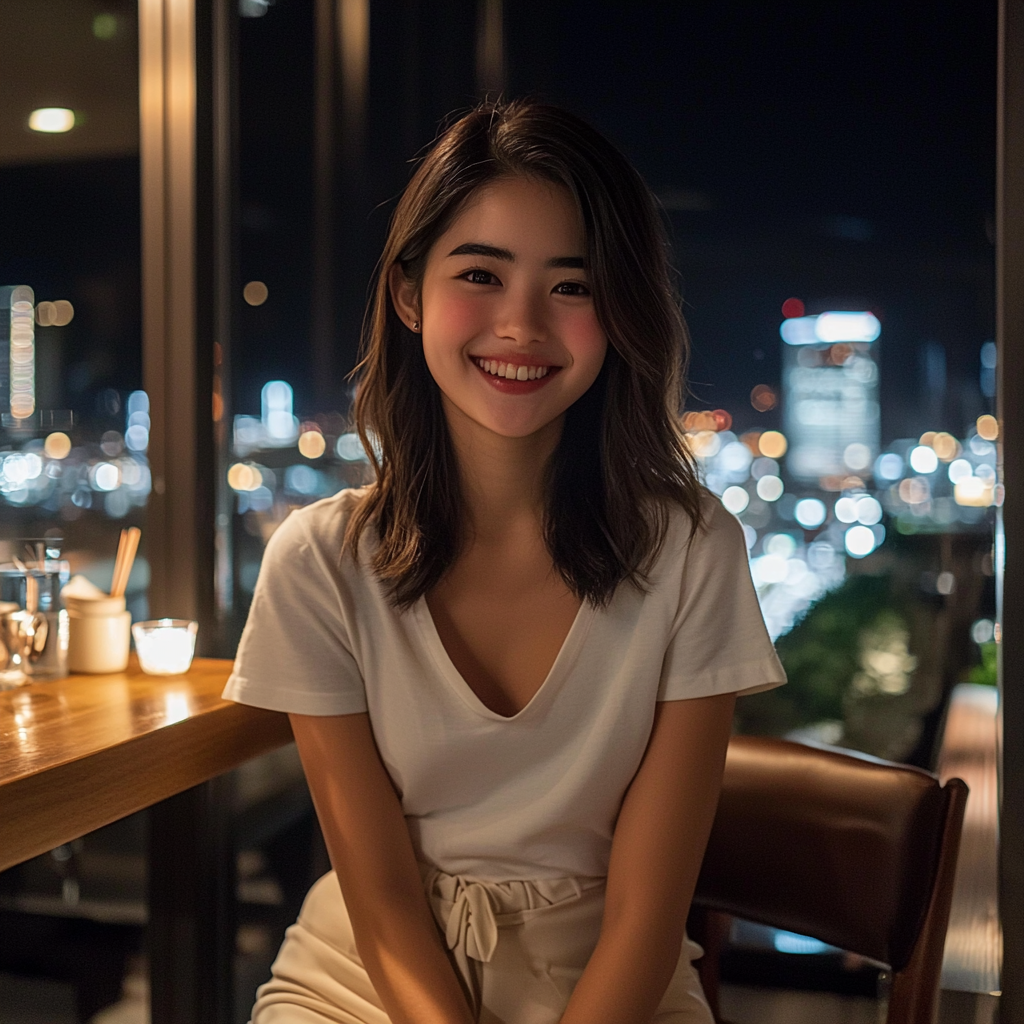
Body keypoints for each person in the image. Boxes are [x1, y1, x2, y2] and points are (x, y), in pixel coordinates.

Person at [224, 99, 786, 1024]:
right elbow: (383, 899)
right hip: (367, 981)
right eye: (480, 273)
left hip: (615, 981)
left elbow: (649, 913)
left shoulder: (691, 550)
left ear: (620, 312)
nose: (522, 323)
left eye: (572, 285)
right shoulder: (320, 562)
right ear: (409, 295)